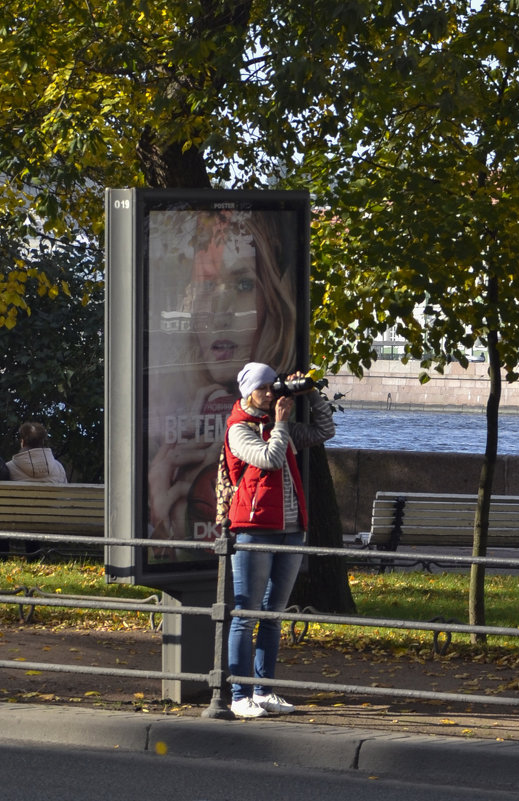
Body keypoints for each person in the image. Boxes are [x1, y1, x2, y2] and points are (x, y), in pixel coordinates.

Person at [146, 209, 299, 562]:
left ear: (273, 299)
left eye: (243, 284)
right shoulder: (169, 421)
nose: (219, 311)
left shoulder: (239, 422)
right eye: (207, 284)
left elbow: (312, 436)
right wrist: (162, 518)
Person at [224, 361, 335, 719]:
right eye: (265, 389)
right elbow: (270, 459)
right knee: (247, 614)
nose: (271, 394)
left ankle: (264, 691)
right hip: (254, 528)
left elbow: (324, 431)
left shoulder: (277, 426)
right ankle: (239, 695)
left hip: (290, 529)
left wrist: (310, 393)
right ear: (248, 392)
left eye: (275, 387)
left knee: (272, 616)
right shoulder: (239, 429)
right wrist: (283, 423)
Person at [0, 422, 67, 556]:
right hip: (50, 518)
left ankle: (3, 556)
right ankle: (34, 555)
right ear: (43, 441)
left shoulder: (10, 467)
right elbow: (65, 498)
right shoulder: (58, 467)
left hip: (15, 520)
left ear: (22, 442)